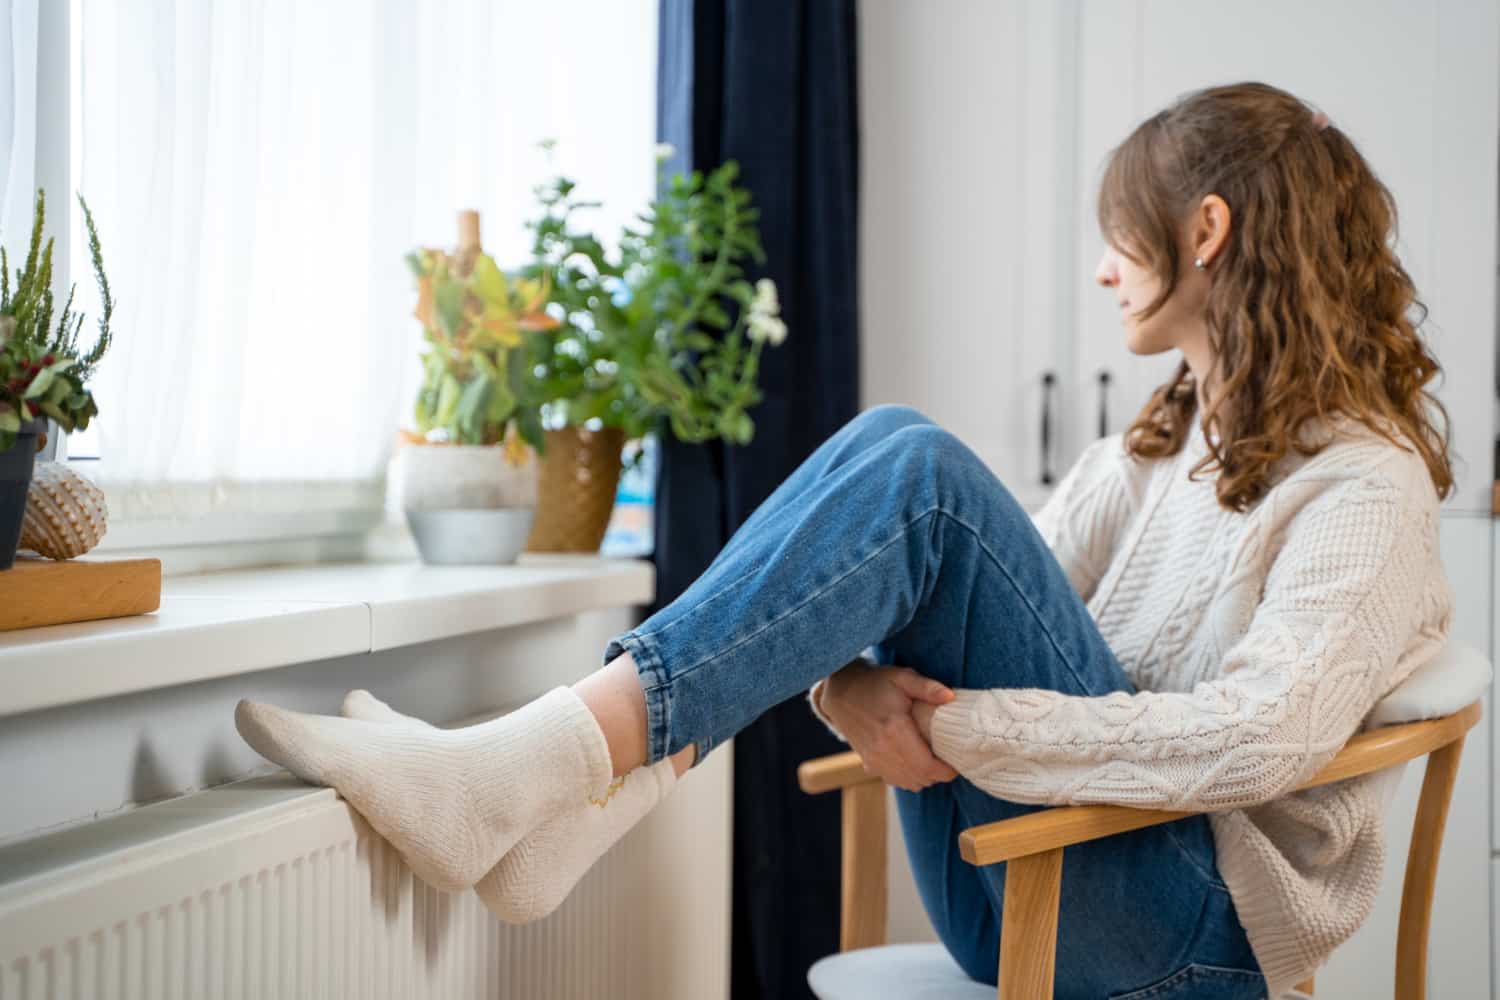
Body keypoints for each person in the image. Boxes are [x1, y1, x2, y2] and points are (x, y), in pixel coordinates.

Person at [234, 81, 1453, 1000]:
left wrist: (958, 726)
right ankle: (564, 789)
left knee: (917, 470)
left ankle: (544, 775)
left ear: (1206, 231)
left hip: (1184, 938)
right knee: (904, 460)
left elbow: (1257, 740)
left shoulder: (1367, 489)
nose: (1099, 270)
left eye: (1118, 237)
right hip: (1022, 872)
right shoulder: (1157, 445)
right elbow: (940, 588)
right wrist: (854, 687)